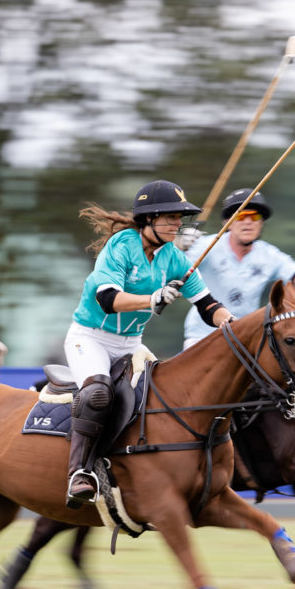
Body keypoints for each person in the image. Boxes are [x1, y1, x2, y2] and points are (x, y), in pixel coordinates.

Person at [63, 179, 235, 507]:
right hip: (91, 338)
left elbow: (207, 304)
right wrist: (151, 298)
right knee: (98, 392)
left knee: (166, 397)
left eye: (179, 217)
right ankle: (80, 472)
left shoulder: (174, 258)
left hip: (130, 343)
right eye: (170, 217)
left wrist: (231, 322)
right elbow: (107, 299)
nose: (177, 224)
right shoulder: (121, 245)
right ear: (149, 220)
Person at [178, 188, 295, 349]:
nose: (248, 222)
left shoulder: (269, 255)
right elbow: (175, 272)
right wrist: (177, 246)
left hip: (245, 340)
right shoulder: (205, 246)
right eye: (240, 216)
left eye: (254, 217)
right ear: (227, 223)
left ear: (261, 223)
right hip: (203, 337)